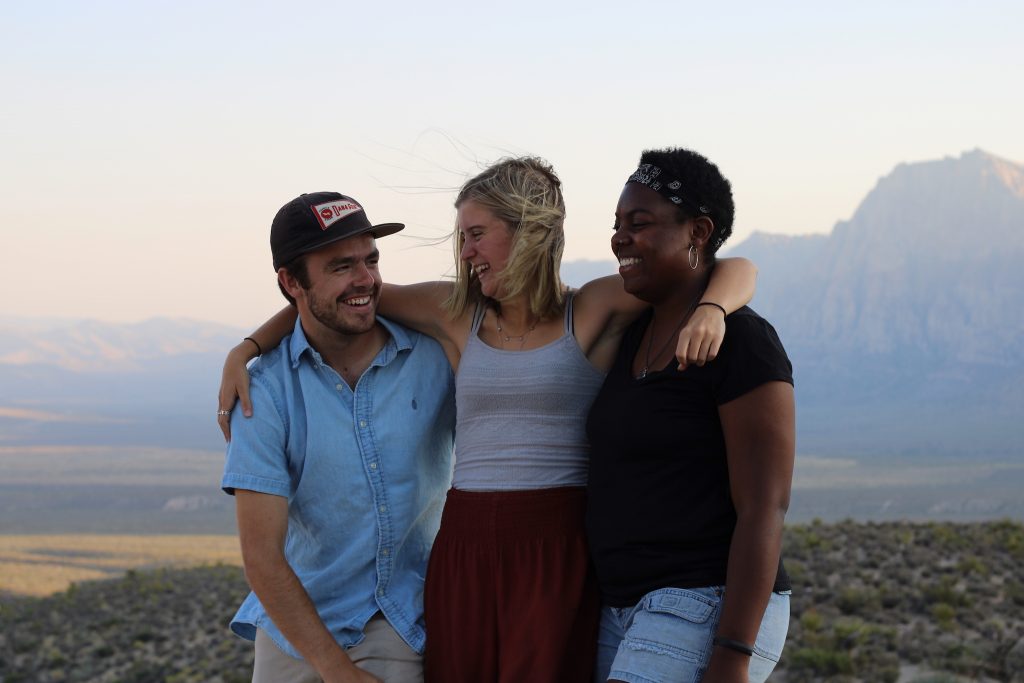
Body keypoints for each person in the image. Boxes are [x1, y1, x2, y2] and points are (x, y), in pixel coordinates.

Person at [218, 158, 759, 682]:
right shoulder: (456, 313)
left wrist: (712, 309)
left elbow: (724, 269)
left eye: (477, 234)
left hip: (557, 547)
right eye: (463, 237)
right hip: (464, 546)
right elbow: (339, 299)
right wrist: (246, 349)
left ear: (529, 232)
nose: (465, 251)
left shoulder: (593, 307)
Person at [221, 192, 455, 683]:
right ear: (291, 282)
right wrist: (337, 671)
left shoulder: (435, 356)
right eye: (341, 266)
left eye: (371, 259)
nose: (365, 279)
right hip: (293, 625)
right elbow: (261, 557)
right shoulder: (263, 392)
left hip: (396, 621)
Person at [585, 148, 795, 683]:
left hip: (705, 600)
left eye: (639, 223)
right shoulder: (631, 334)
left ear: (697, 232)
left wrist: (733, 653)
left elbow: (764, 507)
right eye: (616, 224)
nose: (619, 238)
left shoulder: (743, 341)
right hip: (620, 607)